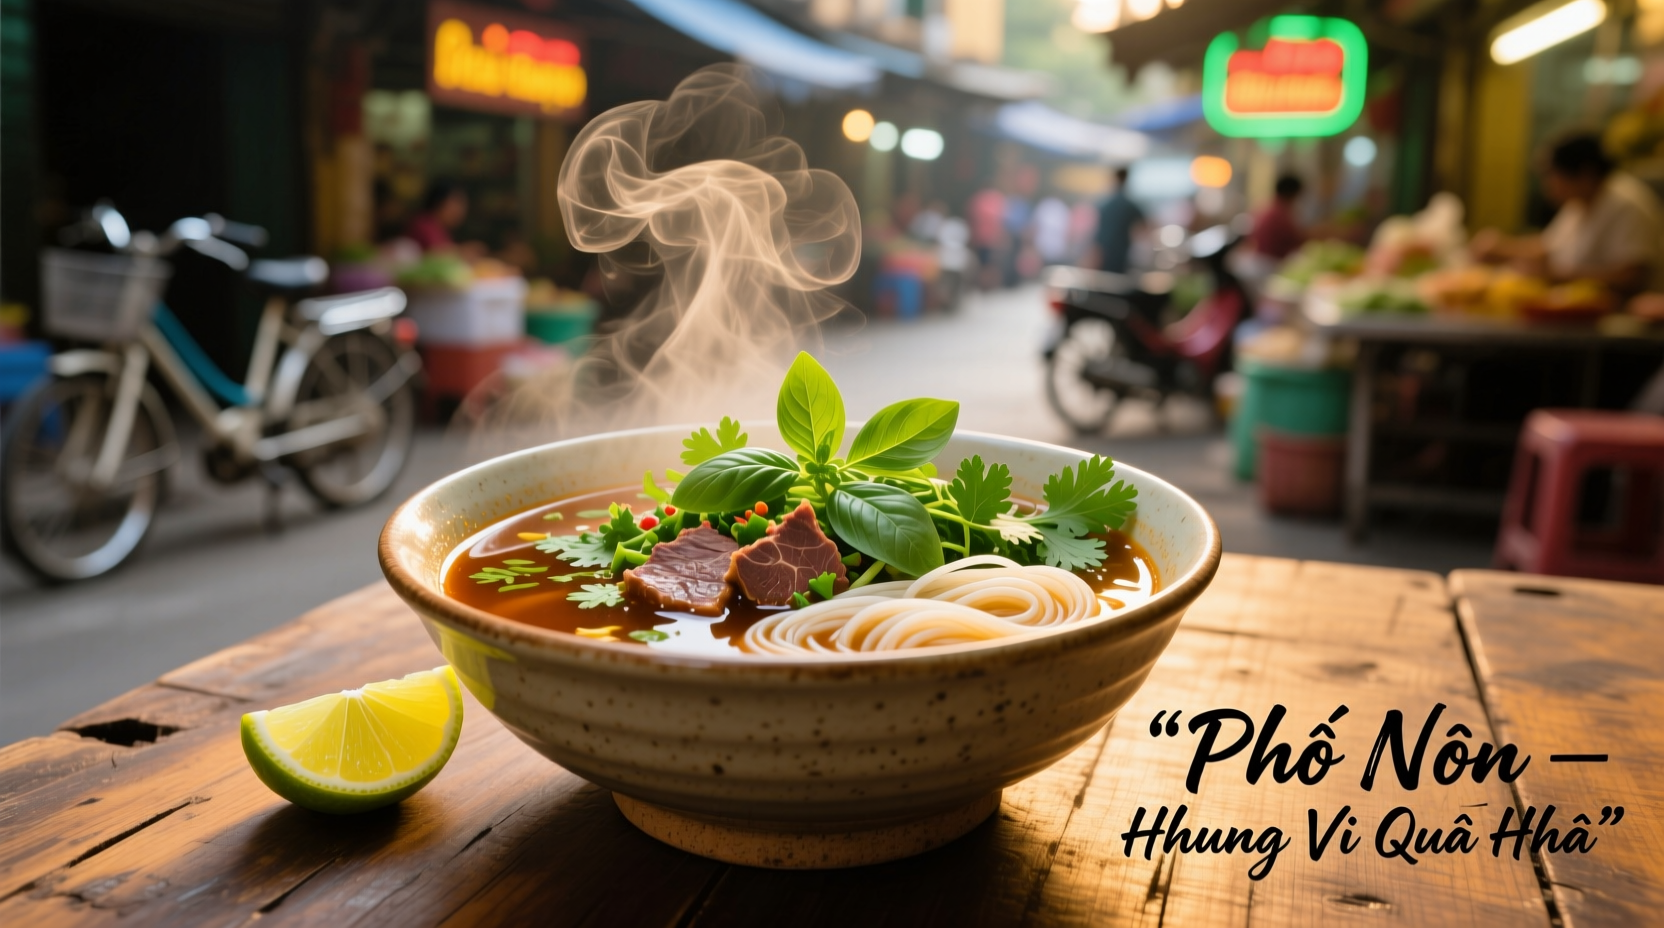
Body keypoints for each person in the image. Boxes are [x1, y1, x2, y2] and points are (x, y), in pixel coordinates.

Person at [1472, 133, 1664, 294]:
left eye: (1552, 175)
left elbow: (1631, 278)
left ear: (1585, 174)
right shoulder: (1580, 202)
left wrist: (1555, 276)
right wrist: (1502, 249)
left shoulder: (1626, 205)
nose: (1547, 185)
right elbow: (1550, 246)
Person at [1092, 167, 1144, 274]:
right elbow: (1143, 228)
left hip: (1104, 253)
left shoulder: (1105, 205)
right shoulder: (1130, 206)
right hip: (1121, 255)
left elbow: (1099, 235)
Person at [1250, 174, 1306, 260]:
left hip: (1260, 257)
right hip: (1270, 262)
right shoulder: (1280, 213)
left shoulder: (1268, 207)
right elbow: (1297, 238)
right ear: (1293, 193)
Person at [405, 181, 468, 253]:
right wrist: (462, 251)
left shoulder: (441, 229)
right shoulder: (423, 224)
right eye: (457, 202)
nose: (461, 210)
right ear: (439, 200)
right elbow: (435, 252)